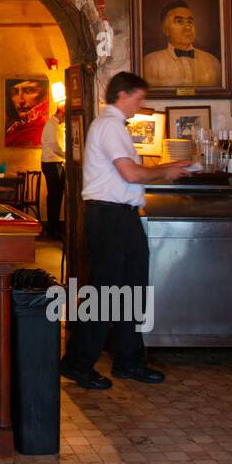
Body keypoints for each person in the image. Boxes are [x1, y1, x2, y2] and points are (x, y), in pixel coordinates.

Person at [60, 73, 191, 390]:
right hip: (110, 217)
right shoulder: (109, 126)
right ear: (123, 95)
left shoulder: (115, 127)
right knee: (106, 292)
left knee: (131, 290)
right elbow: (130, 173)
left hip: (122, 216)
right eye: (138, 98)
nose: (141, 104)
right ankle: (77, 363)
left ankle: (129, 361)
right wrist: (166, 170)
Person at [141, 0, 222, 88]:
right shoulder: (150, 63)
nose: (188, 27)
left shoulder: (212, 62)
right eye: (179, 21)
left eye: (190, 22)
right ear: (165, 29)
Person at [40, 105, 66, 240]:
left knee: (55, 196)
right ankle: (52, 229)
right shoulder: (52, 125)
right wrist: (67, 155)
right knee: (55, 196)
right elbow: (55, 146)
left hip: (52, 163)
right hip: (52, 164)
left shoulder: (55, 125)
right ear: (61, 113)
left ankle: (53, 228)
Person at [4, 79, 48, 147]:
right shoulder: (12, 129)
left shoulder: (47, 128)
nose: (21, 101)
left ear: (47, 93)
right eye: (15, 92)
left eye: (30, 90)